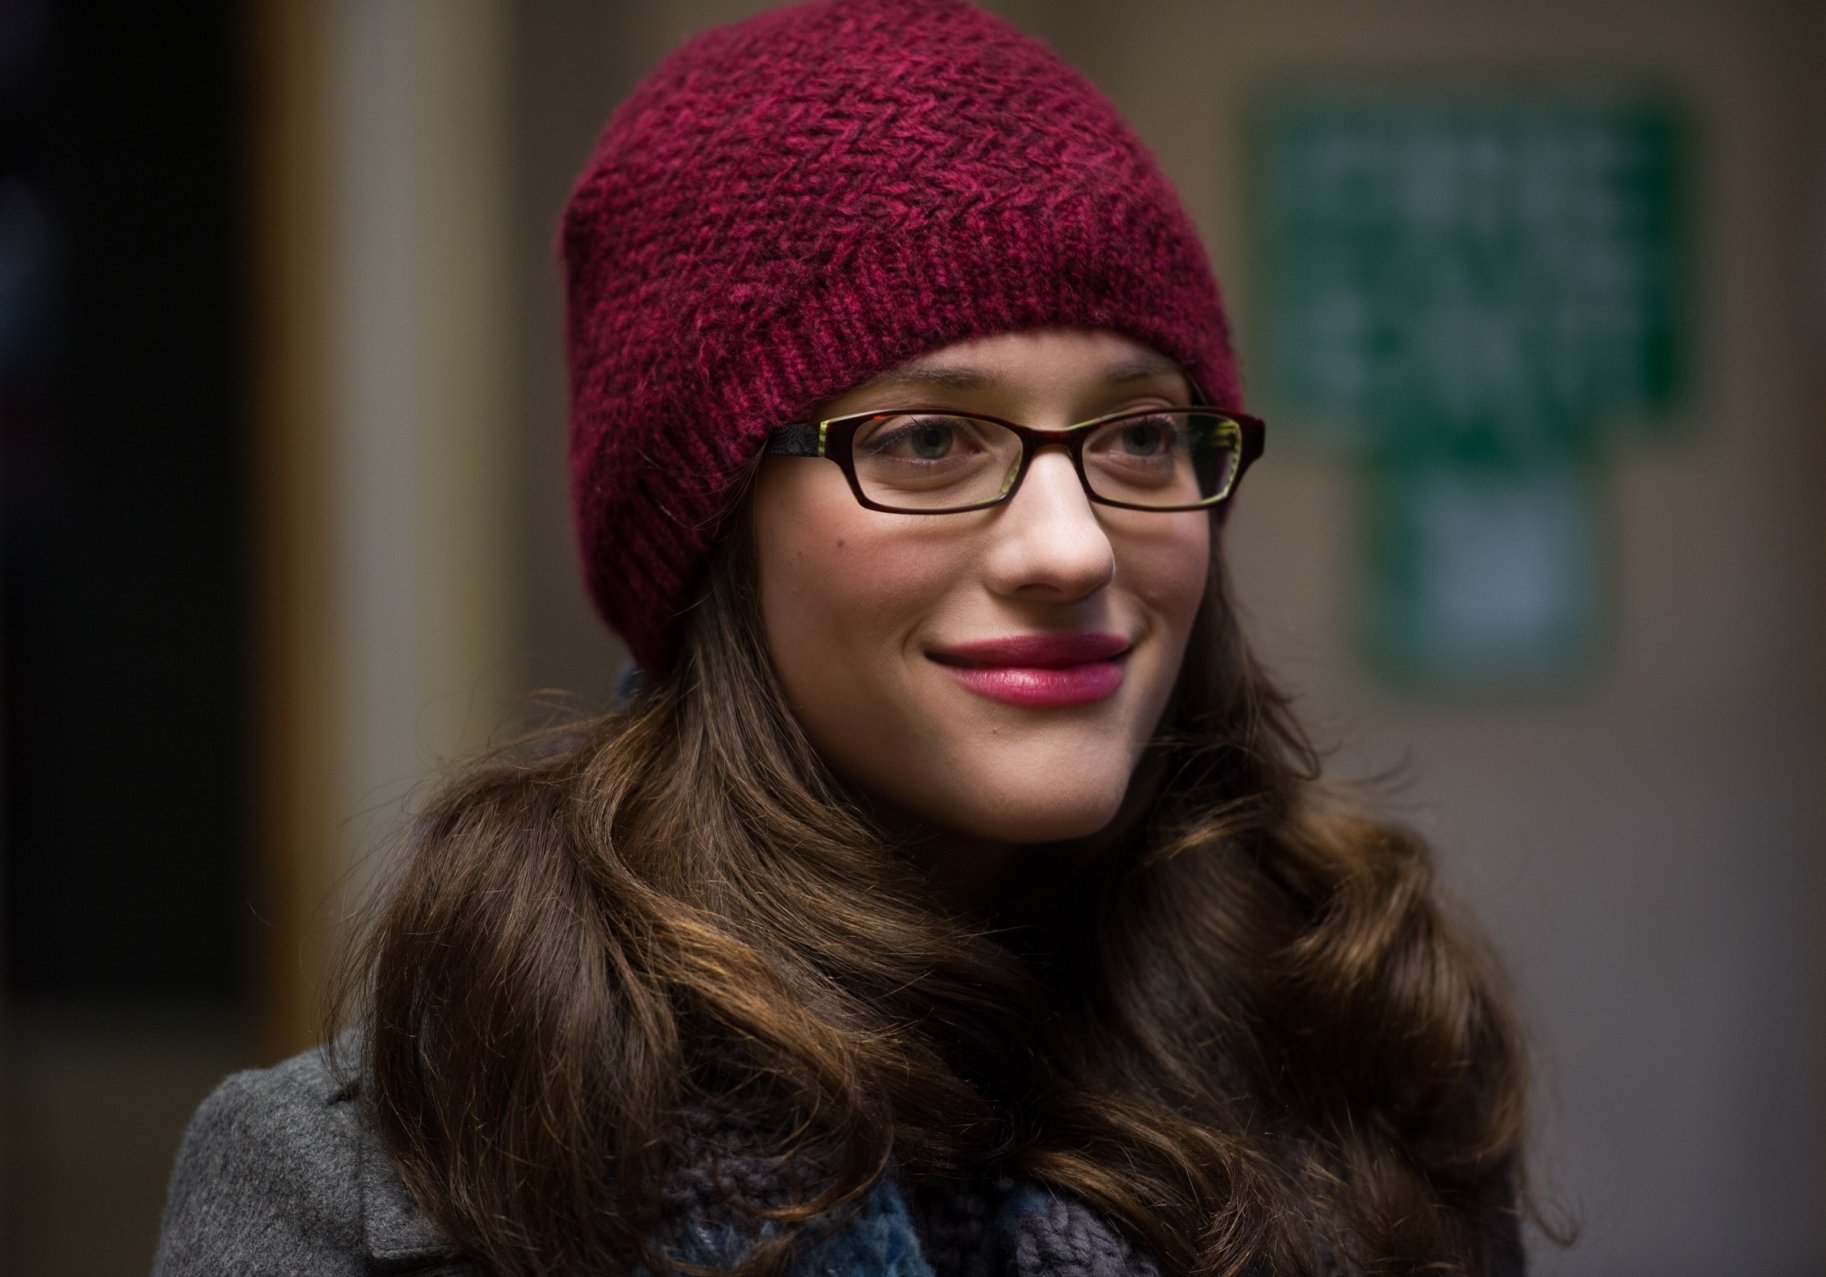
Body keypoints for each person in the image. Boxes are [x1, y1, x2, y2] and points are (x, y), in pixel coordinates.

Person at [152, 1, 1532, 1274]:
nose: (1075, 546)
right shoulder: (356, 1184)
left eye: (1138, 435)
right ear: (713, 526)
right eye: (929, 438)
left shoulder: (1361, 1046)